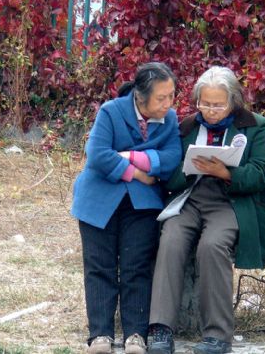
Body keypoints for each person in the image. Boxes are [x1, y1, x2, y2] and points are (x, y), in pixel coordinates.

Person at [148, 66, 265, 354]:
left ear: (233, 101)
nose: (211, 110)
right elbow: (169, 175)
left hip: (231, 202)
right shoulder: (187, 127)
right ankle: (160, 328)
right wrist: (190, 169)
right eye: (205, 103)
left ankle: (217, 335)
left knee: (213, 245)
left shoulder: (255, 126)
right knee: (170, 239)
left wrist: (226, 172)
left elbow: (261, 173)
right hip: (191, 199)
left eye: (218, 104)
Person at [71, 62, 182, 354]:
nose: (168, 103)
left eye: (171, 95)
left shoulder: (169, 119)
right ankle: (100, 335)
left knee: (137, 267)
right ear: (140, 96)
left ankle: (135, 334)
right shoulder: (111, 111)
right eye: (162, 97)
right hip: (99, 199)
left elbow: (173, 158)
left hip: (142, 203)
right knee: (100, 266)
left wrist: (132, 156)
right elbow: (97, 155)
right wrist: (138, 173)